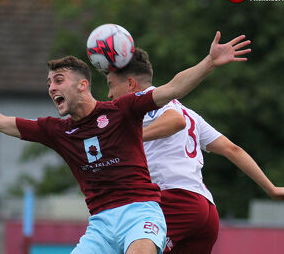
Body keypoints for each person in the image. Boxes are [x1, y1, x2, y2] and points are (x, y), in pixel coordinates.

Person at [0, 31, 250, 254]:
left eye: (58, 81)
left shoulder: (122, 111)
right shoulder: (55, 130)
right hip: (100, 225)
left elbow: (171, 88)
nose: (51, 88)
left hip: (142, 214)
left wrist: (208, 63)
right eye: (48, 83)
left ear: (83, 85)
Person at [106, 46, 284, 254]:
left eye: (110, 85)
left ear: (130, 84)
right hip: (204, 210)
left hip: (173, 200)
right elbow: (232, 149)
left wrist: (130, 139)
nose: (109, 94)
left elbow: (175, 121)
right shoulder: (190, 113)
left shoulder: (147, 103)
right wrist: (271, 188)